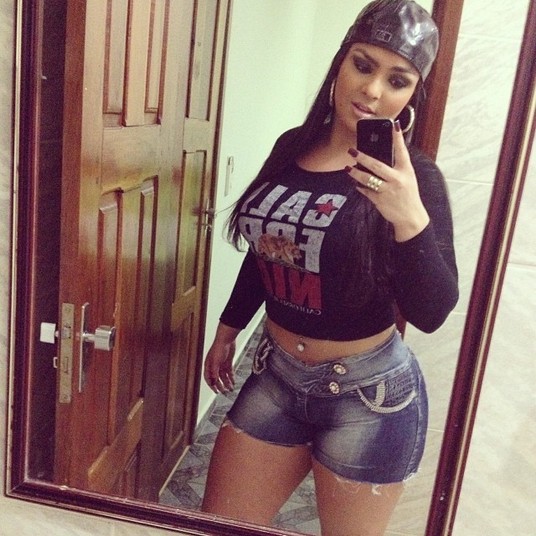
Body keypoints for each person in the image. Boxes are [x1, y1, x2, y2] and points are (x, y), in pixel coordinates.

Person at [201, 1, 458, 534]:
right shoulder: (293, 146)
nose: (373, 91)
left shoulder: (416, 179)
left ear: (412, 95)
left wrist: (409, 216)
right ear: (341, 62)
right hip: (276, 377)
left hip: (370, 396)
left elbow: (432, 312)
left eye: (397, 80)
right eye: (363, 65)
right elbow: (269, 249)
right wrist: (228, 330)